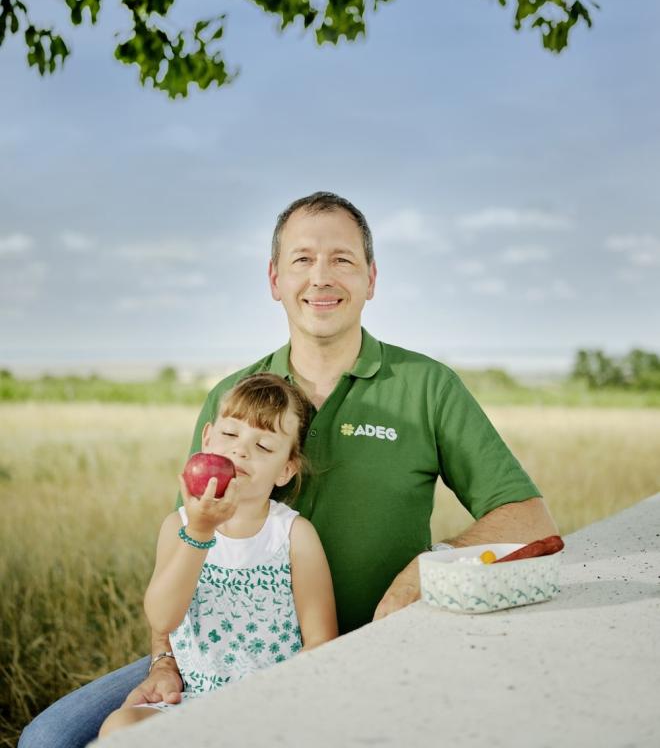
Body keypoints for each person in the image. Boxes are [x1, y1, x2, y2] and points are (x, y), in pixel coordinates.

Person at [20, 191, 558, 748]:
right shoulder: (233, 402)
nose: (321, 277)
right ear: (275, 279)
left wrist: (425, 569)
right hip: (221, 657)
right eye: (302, 259)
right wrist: (163, 658)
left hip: (371, 652)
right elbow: (187, 544)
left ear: (371, 279)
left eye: (342, 259)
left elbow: (530, 518)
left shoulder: (428, 387)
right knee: (49, 739)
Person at [98, 372, 337, 738]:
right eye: (230, 434)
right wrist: (200, 531)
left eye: (264, 446)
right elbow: (162, 618)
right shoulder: (178, 527)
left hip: (271, 704)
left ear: (286, 470)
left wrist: (282, 702)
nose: (241, 451)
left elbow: (321, 641)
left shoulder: (293, 535)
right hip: (193, 699)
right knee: (120, 727)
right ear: (207, 438)